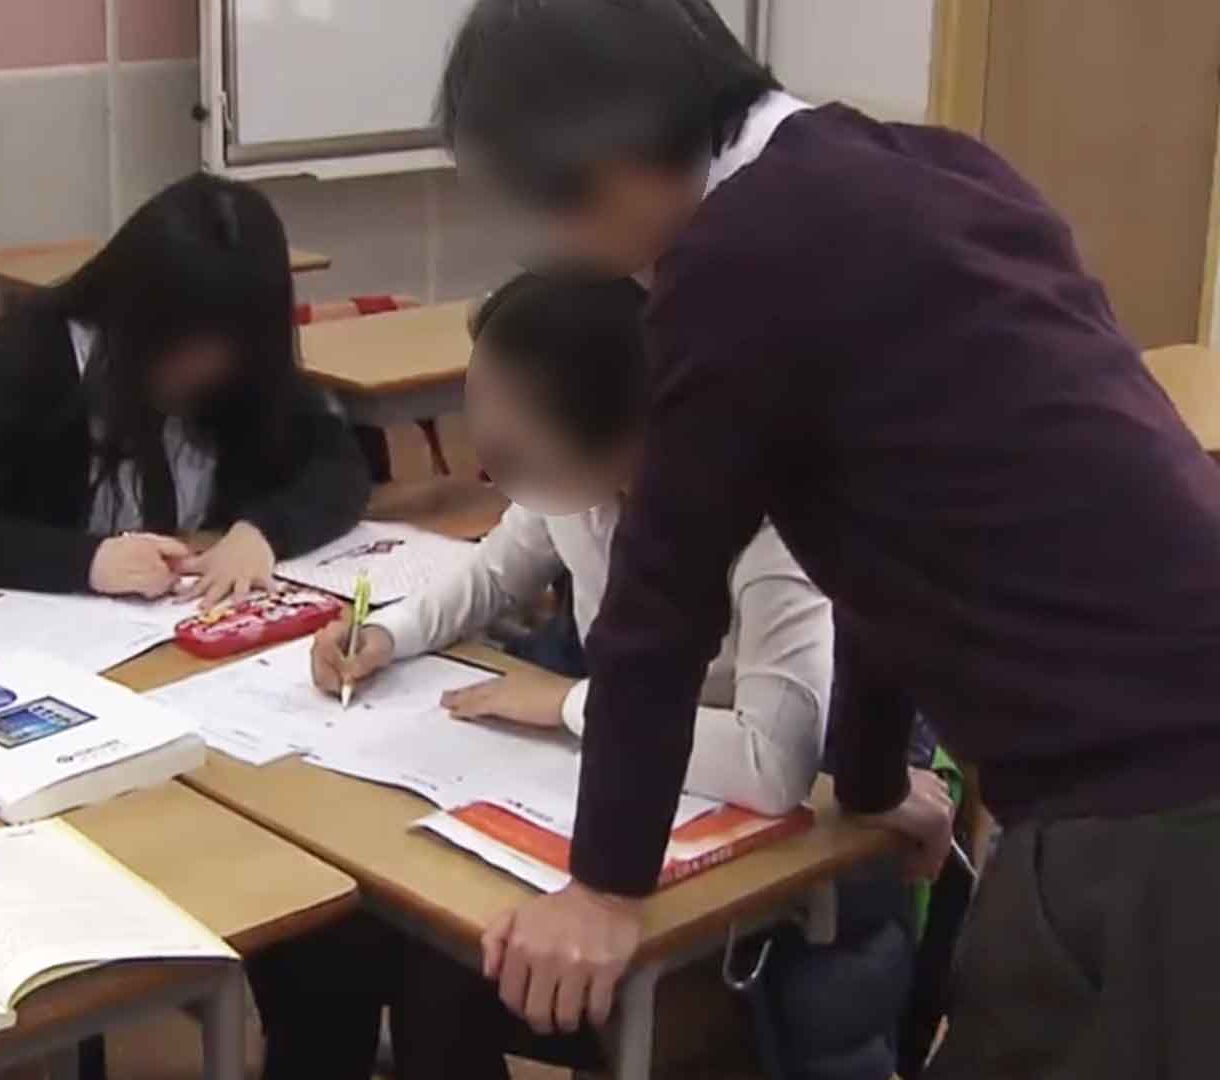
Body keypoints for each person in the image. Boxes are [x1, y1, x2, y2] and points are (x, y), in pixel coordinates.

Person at [436, 2, 1220, 1075]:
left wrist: (606, 889)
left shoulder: (733, 265)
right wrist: (867, 778)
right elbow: (887, 531)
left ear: (600, 163)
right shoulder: (926, 167)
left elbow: (663, 604)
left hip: (1150, 790)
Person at [250, 270, 833, 1080]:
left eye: (511, 454)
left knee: (453, 963)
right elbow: (491, 575)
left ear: (614, 431)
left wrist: (569, 704)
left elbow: (774, 766)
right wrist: (385, 632)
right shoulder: (584, 487)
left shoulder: (765, 527)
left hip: (751, 837)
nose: (492, 474)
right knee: (412, 942)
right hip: (629, 798)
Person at [0, 174, 370, 607]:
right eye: (184, 346)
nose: (204, 370)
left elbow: (339, 468)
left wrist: (263, 533)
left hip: (175, 624)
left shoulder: (242, 368)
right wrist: (86, 561)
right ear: (135, 310)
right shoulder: (28, 354)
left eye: (224, 349)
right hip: (45, 628)